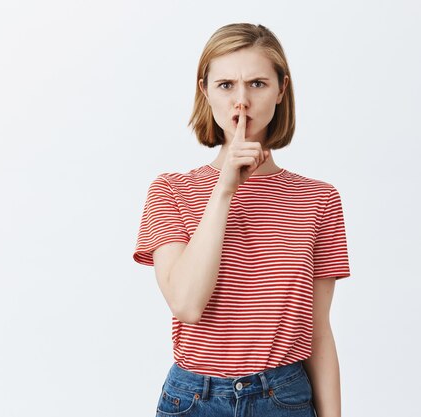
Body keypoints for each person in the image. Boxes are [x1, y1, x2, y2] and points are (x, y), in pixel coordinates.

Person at [132, 23, 351, 417]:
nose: (242, 101)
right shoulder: (171, 190)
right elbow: (186, 304)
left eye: (257, 84)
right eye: (226, 85)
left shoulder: (318, 199)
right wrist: (225, 189)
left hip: (284, 397)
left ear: (282, 90)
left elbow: (319, 331)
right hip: (194, 400)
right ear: (206, 91)